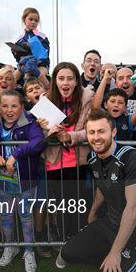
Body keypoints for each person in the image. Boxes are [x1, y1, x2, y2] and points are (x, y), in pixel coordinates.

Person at [56, 109, 136, 272]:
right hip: (109, 222)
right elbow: (102, 185)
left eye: (101, 131)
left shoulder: (131, 158)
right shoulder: (93, 156)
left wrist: (115, 252)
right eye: (91, 132)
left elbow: (134, 207)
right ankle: (112, 264)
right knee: (68, 253)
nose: (96, 137)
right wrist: (93, 210)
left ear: (113, 132)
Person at [0, 90, 45, 272]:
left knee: (26, 216)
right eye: (4, 106)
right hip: (1, 181)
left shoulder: (29, 121)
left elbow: (39, 141)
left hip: (25, 180)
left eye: (14, 106)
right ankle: (10, 247)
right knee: (6, 216)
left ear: (22, 106)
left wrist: (16, 154)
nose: (9, 110)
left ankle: (29, 251)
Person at [37, 62, 93, 239]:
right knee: (61, 204)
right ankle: (63, 238)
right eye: (61, 78)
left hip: (78, 161)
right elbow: (37, 132)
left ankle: (75, 237)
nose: (65, 83)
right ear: (55, 81)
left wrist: (72, 136)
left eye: (70, 78)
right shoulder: (45, 100)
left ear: (77, 81)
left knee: (76, 202)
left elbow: (91, 130)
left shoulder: (87, 99)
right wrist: (46, 130)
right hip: (54, 162)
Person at [91, 68, 136, 140]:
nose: (116, 105)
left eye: (120, 103)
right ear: (105, 105)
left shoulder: (127, 120)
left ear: (125, 107)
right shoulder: (103, 117)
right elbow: (95, 107)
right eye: (112, 101)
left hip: (124, 151)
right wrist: (105, 78)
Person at [12, 7, 50, 90]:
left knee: (40, 75)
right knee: (12, 77)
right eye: (31, 19)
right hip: (25, 63)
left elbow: (45, 54)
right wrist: (16, 52)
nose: (33, 22)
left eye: (36, 20)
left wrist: (32, 46)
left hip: (41, 64)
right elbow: (17, 57)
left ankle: (50, 93)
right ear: (24, 19)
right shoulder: (19, 38)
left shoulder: (42, 36)